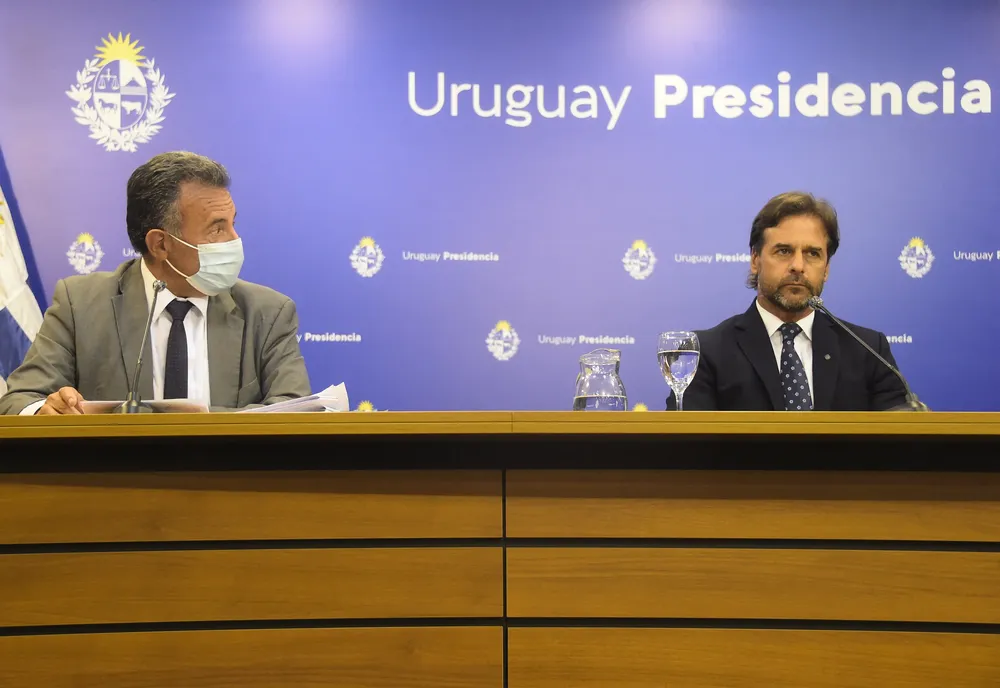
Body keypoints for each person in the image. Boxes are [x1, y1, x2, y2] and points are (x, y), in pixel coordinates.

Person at [0, 151, 311, 415]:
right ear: (160, 244)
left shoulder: (268, 312)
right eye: (217, 229)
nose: (234, 240)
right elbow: (19, 400)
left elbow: (295, 410)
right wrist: (45, 411)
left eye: (233, 224)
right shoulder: (78, 304)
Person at [667, 191, 907, 411]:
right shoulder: (705, 353)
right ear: (755, 260)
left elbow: (902, 436)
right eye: (784, 251)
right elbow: (687, 441)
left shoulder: (868, 351)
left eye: (812, 253)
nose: (798, 266)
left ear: (826, 269)